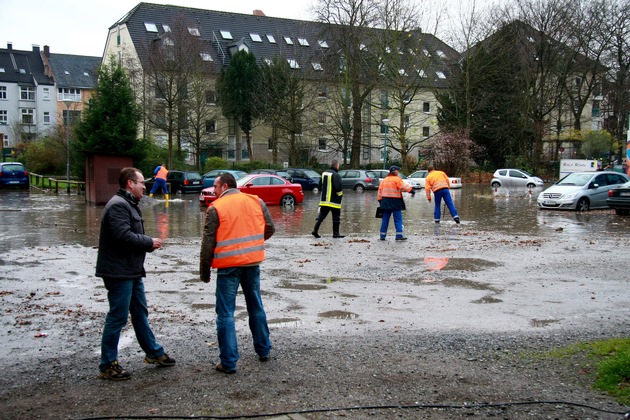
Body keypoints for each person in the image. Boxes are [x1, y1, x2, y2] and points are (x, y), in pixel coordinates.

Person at [95, 167, 176, 381]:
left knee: (140, 313)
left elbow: (129, 234)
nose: (144, 186)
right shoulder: (118, 206)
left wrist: (145, 242)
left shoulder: (128, 204)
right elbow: (123, 236)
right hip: (118, 271)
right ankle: (108, 365)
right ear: (130, 184)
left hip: (131, 270)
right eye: (141, 183)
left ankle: (154, 353)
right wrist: (149, 242)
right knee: (118, 317)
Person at [200, 173, 276, 374]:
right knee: (255, 305)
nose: (214, 191)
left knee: (225, 313)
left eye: (215, 187)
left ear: (224, 186)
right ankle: (263, 350)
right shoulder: (256, 201)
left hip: (228, 266)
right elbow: (270, 227)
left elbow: (208, 241)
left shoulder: (216, 207)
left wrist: (204, 270)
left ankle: (228, 362)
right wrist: (253, 244)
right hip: (252, 262)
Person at [377, 166, 415, 240]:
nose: (398, 172)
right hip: (395, 201)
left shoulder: (384, 180)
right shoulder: (397, 179)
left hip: (385, 202)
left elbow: (379, 192)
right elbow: (404, 187)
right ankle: (399, 236)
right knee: (398, 219)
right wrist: (412, 191)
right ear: (396, 171)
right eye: (398, 171)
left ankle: (382, 236)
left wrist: (380, 202)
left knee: (385, 219)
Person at [312, 160, 344, 238]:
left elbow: (320, 186)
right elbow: (338, 188)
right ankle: (336, 234)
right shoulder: (336, 175)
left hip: (324, 201)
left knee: (321, 216)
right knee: (336, 218)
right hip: (334, 202)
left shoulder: (324, 174)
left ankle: (315, 230)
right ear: (336, 166)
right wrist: (340, 195)